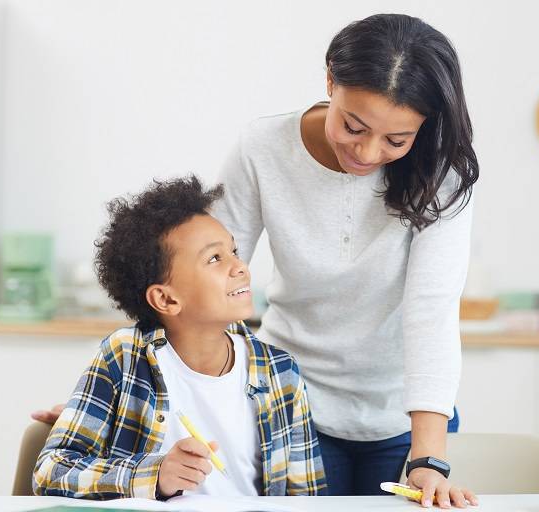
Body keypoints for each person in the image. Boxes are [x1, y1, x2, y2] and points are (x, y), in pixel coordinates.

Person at [35, 12, 478, 509]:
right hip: (284, 401)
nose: (369, 152)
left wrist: (428, 457)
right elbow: (191, 276)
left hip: (404, 412)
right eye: (353, 126)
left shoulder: (442, 175)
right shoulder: (265, 148)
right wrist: (124, 399)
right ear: (330, 78)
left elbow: (431, 312)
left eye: (397, 140)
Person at [32, 177, 326, 499]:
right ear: (166, 299)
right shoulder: (124, 357)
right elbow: (51, 472)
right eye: (215, 259)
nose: (239, 266)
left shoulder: (281, 372)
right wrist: (153, 474)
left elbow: (307, 499)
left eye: (234, 251)